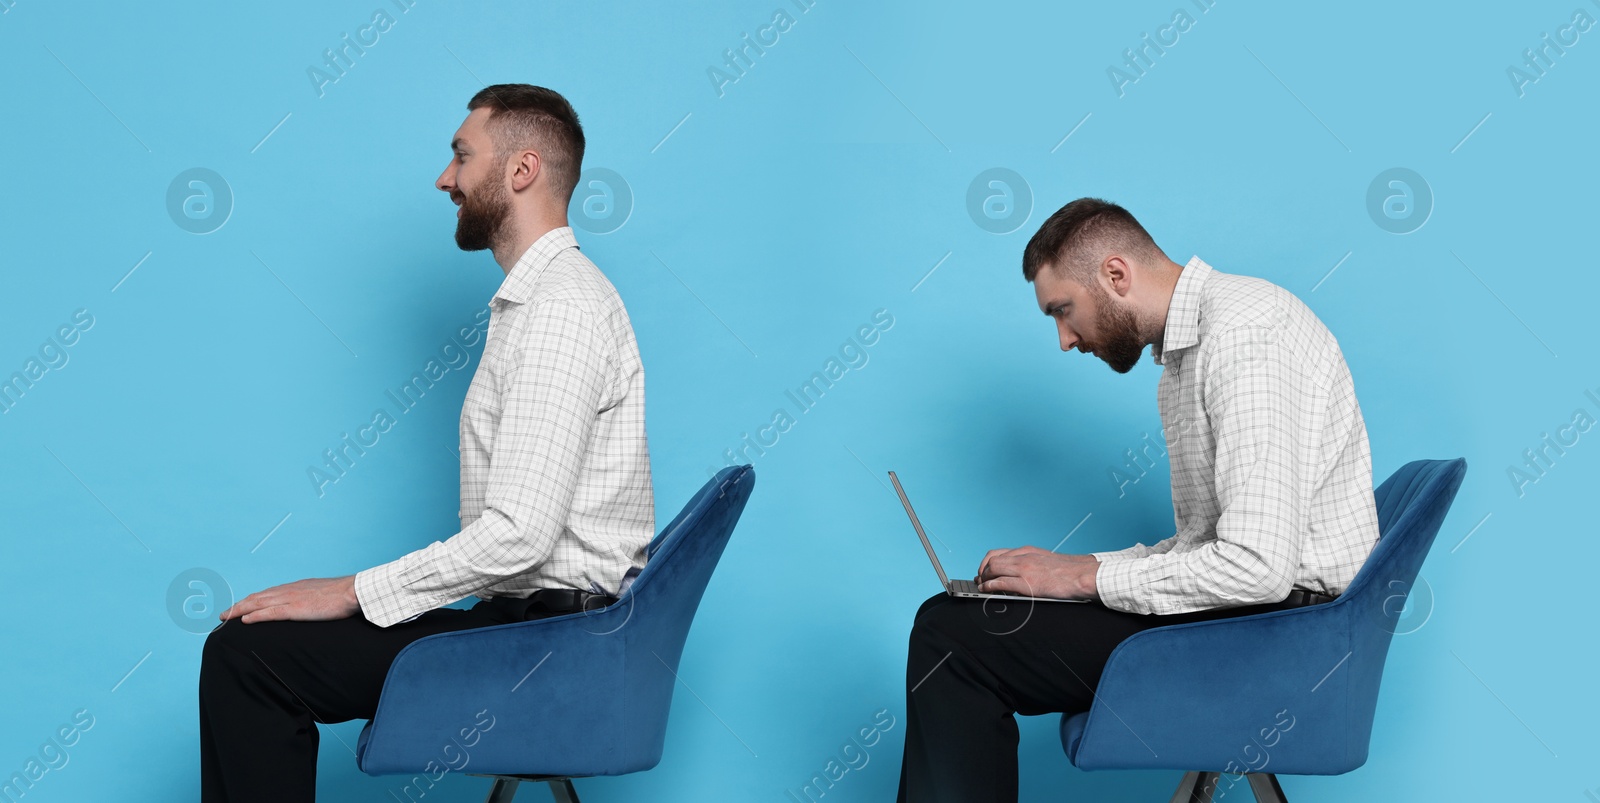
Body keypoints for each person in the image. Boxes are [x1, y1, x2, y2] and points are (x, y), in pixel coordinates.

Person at [199, 84, 653, 802]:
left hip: (548, 647)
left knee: (246, 656)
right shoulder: (541, 302)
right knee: (245, 647)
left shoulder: (559, 310)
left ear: (523, 169)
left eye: (462, 156)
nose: (446, 178)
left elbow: (520, 535)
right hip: (533, 628)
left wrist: (351, 592)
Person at [895, 198, 1381, 803]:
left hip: (1287, 639)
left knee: (954, 640)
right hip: (1260, 617)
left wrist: (1084, 578)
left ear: (1116, 275)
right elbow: (1206, 547)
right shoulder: (1187, 357)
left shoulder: (1246, 336)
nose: (1064, 340)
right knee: (954, 621)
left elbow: (1256, 566)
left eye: (1063, 310)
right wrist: (1071, 573)